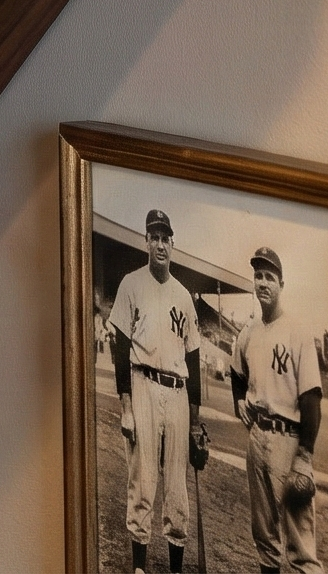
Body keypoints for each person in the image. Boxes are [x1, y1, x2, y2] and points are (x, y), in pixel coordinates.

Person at [110, 209, 204, 574]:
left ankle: (176, 568)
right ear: (145, 241)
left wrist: (196, 422)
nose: (160, 244)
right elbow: (120, 348)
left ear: (172, 244)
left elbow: (193, 359)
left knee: (176, 487)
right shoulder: (131, 284)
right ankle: (139, 567)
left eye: (166, 237)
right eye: (155, 236)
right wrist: (126, 407)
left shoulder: (183, 296)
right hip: (143, 383)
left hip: (178, 392)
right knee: (143, 478)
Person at [230, 247, 325, 574]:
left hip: (290, 441)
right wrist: (238, 400)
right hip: (257, 439)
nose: (263, 283)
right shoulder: (249, 332)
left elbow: (312, 399)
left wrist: (305, 458)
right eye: (258, 276)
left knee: (301, 550)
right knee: (265, 539)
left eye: (269, 276)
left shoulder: (297, 331)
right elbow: (236, 372)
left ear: (281, 284)